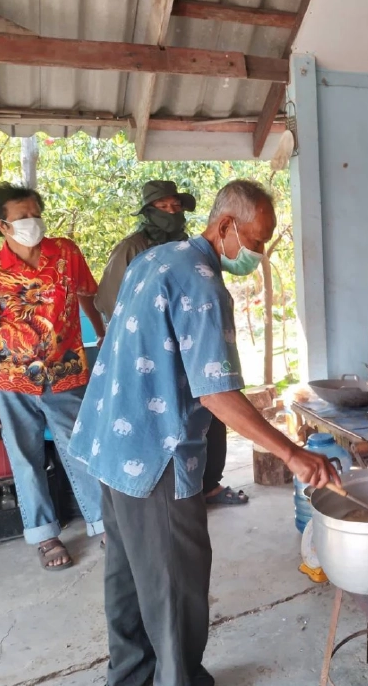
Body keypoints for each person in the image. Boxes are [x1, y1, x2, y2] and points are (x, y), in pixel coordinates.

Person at [68, 179, 339, 686]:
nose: (256, 255)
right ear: (225, 225)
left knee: (127, 578)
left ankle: (130, 677)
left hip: (109, 441)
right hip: (156, 456)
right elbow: (216, 393)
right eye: (254, 242)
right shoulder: (202, 284)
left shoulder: (155, 259)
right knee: (175, 585)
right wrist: (292, 452)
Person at [0, 182, 107, 571]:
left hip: (67, 374)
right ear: (2, 226)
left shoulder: (65, 254)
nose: (32, 222)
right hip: (11, 384)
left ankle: (103, 524)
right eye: (22, 216)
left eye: (35, 213)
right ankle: (45, 536)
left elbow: (85, 295)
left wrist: (101, 330)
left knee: (81, 450)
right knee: (25, 459)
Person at [95, 181, 246, 507]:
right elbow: (115, 303)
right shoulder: (133, 250)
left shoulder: (190, 247)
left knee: (209, 422)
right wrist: (291, 454)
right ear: (148, 212)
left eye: (176, 206)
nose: (171, 213)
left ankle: (208, 483)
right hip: (154, 359)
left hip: (197, 353)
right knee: (174, 433)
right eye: (163, 208)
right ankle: (181, 492)